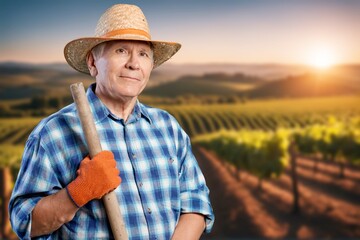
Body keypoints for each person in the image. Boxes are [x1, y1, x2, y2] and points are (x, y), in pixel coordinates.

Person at [9, 3, 214, 239]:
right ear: (93, 62)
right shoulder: (53, 133)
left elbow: (195, 201)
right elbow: (25, 223)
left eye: (143, 54)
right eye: (121, 51)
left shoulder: (168, 127)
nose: (134, 64)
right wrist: (78, 192)